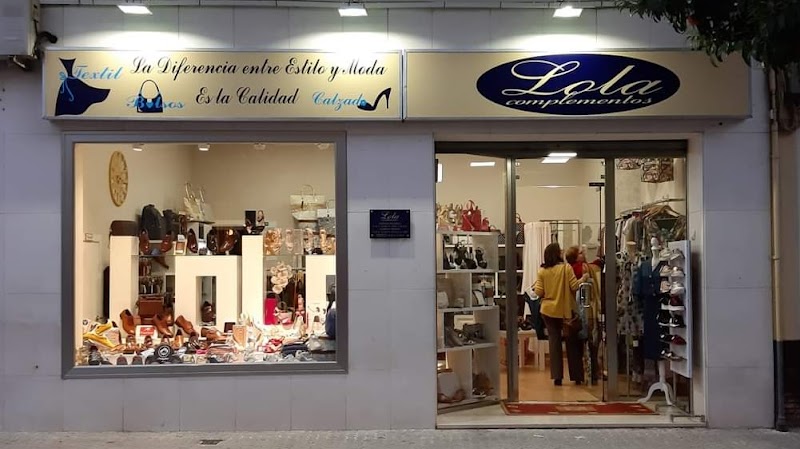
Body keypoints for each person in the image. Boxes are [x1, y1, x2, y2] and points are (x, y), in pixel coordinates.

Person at [533, 242, 589, 386]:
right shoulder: (566, 268)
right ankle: (576, 376)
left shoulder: (542, 271)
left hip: (548, 311)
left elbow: (538, 292)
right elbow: (574, 286)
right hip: (565, 311)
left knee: (554, 342)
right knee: (572, 343)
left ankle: (557, 377)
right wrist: (584, 278)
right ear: (557, 254)